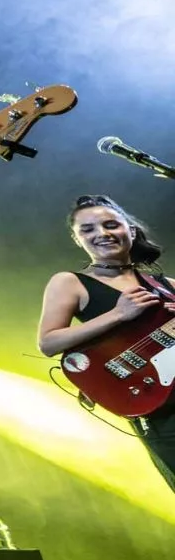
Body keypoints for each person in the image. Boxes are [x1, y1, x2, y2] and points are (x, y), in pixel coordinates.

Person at [37, 194, 175, 493]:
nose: (101, 233)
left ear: (131, 231)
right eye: (87, 229)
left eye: (111, 225)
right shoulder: (69, 282)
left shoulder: (168, 285)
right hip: (156, 404)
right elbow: (48, 343)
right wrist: (118, 314)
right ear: (77, 239)